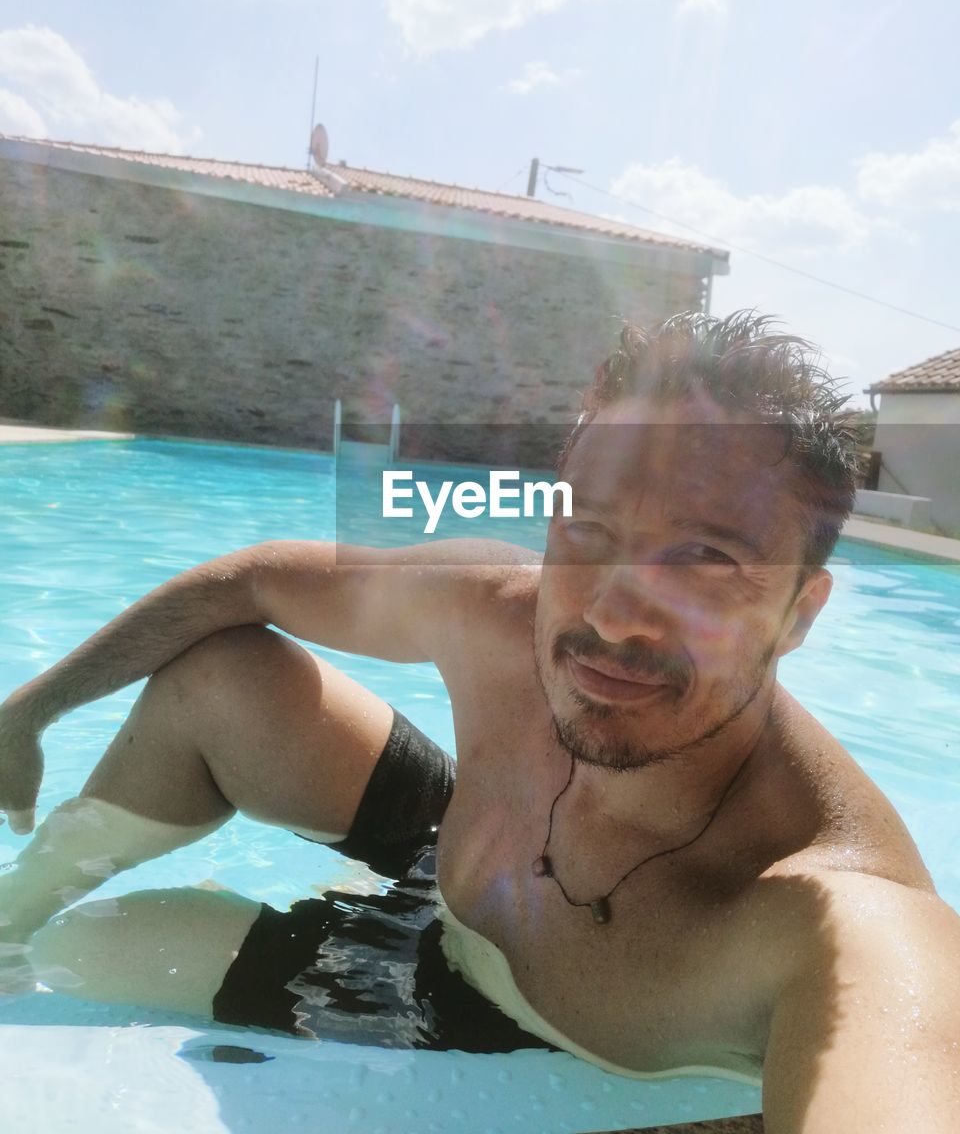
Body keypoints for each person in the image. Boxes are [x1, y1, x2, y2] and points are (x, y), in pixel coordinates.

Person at [1, 311, 958, 1130]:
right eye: (587, 527)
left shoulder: (834, 916)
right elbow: (249, 581)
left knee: (87, 958)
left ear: (800, 612)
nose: (614, 615)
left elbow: (898, 1044)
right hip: (453, 869)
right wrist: (30, 713)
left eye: (707, 558)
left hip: (482, 1025)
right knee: (221, 678)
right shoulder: (500, 610)